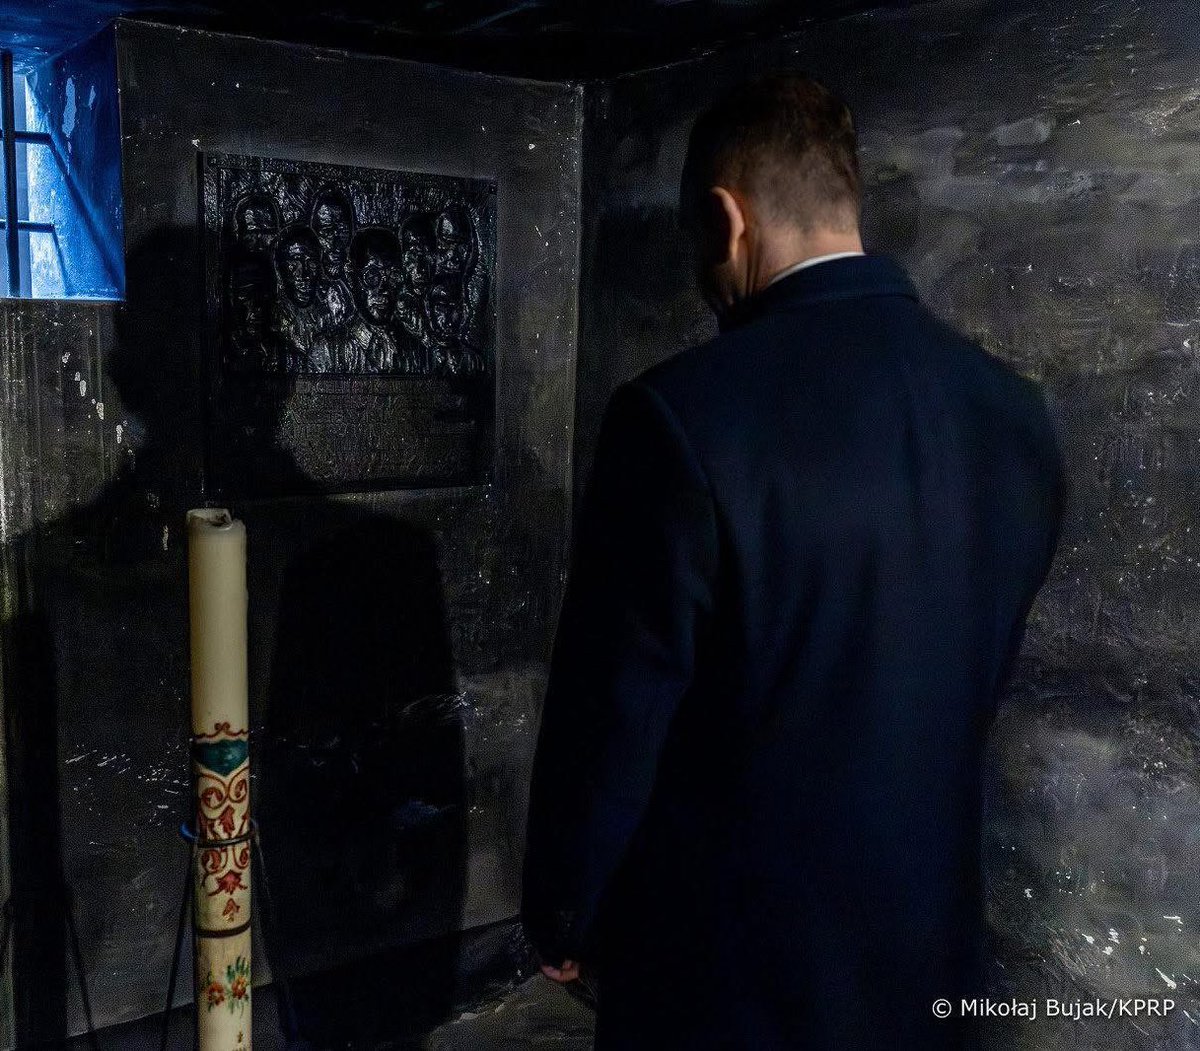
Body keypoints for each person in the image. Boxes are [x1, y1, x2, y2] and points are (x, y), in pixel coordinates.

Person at [520, 73, 1067, 1050]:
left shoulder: (680, 420)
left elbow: (615, 710)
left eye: (699, 240)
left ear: (726, 218)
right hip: (929, 958)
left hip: (731, 974)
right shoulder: (1015, 415)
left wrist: (565, 906)